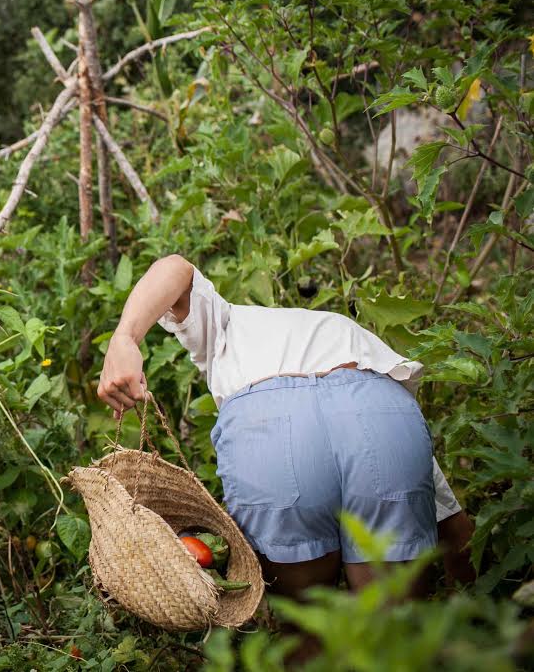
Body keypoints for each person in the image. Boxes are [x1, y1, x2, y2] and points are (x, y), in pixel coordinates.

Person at [97, 254, 475, 599]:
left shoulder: (229, 324)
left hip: (272, 421)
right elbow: (453, 525)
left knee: (305, 628)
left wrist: (125, 338)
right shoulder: (346, 333)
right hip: (378, 409)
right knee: (389, 633)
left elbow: (175, 268)